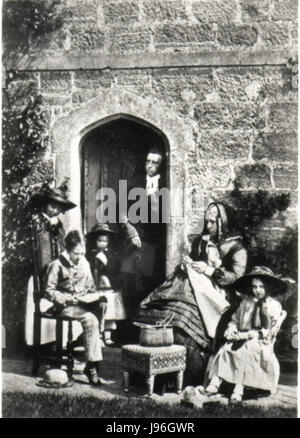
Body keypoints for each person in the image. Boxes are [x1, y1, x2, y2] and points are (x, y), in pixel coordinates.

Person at [135, 202, 248, 387]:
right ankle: (158, 371)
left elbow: (236, 277)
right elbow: (193, 261)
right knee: (167, 312)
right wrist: (186, 263)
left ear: (223, 223)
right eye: (207, 221)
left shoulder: (236, 248)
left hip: (217, 295)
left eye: (213, 221)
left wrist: (209, 271)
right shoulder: (200, 240)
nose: (209, 225)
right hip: (189, 285)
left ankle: (186, 373)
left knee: (186, 320)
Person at [206, 266, 287, 402]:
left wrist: (247, 335)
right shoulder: (246, 303)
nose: (258, 290)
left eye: (261, 286)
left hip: (260, 341)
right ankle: (215, 381)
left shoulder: (273, 306)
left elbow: (267, 332)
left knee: (248, 348)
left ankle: (239, 387)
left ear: (268, 287)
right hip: (241, 336)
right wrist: (231, 330)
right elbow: (235, 320)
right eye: (254, 287)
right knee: (227, 348)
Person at [45, 230, 104, 386]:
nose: (80, 257)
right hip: (66, 306)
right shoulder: (56, 265)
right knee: (91, 321)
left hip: (82, 303)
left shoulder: (84, 263)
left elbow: (91, 286)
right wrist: (65, 298)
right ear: (68, 250)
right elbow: (49, 290)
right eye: (76, 253)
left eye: (82, 253)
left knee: (102, 308)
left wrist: (93, 295)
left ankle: (89, 357)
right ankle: (92, 366)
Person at [25, 182, 77, 346]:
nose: (55, 210)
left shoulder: (59, 226)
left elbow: (63, 247)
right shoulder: (37, 223)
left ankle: (61, 342)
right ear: (45, 205)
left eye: (59, 208)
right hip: (42, 275)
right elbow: (41, 252)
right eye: (52, 206)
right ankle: (45, 343)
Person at [120, 148, 167, 316]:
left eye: (155, 163)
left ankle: (145, 327)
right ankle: (127, 328)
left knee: (150, 284)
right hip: (133, 240)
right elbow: (120, 210)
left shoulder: (166, 184)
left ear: (161, 166)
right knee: (129, 282)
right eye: (148, 161)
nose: (150, 166)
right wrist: (129, 228)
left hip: (154, 241)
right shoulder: (135, 183)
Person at [86, 223, 126, 346]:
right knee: (98, 311)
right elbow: (90, 269)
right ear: (95, 241)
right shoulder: (91, 255)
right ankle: (98, 335)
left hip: (108, 286)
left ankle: (107, 336)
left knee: (109, 313)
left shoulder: (112, 255)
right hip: (97, 286)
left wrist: (106, 263)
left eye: (105, 241)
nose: (102, 243)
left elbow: (115, 269)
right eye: (99, 241)